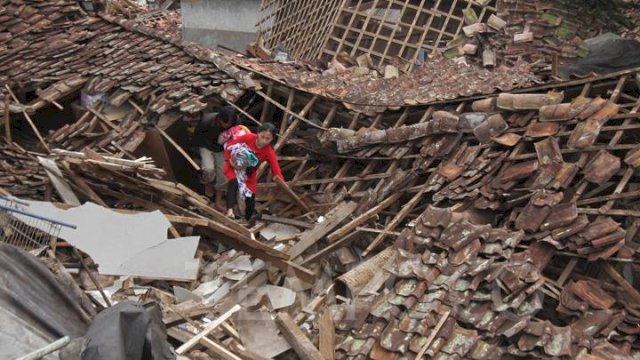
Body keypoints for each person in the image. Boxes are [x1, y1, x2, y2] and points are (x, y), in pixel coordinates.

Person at [224, 122, 283, 222]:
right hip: (233, 165)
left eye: (267, 139)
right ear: (258, 133)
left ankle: (247, 219)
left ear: (272, 139)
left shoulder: (269, 152)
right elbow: (228, 146)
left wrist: (280, 184)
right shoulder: (248, 137)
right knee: (233, 182)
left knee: (250, 199)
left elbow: (276, 170)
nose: (263, 141)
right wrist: (230, 160)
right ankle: (229, 211)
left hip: (248, 174)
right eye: (262, 136)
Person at [191, 106, 237, 211]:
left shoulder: (236, 122)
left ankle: (218, 202)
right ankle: (208, 183)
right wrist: (196, 152)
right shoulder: (206, 121)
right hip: (206, 145)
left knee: (224, 175)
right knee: (208, 169)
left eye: (229, 125)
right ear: (219, 119)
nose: (227, 127)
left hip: (222, 148)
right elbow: (196, 138)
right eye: (225, 124)